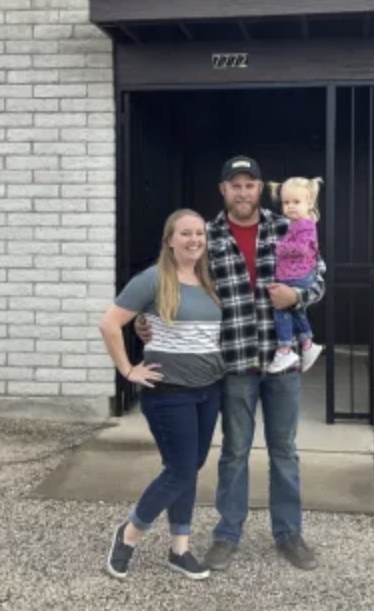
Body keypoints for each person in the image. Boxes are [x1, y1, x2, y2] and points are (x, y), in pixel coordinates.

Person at [136, 154, 326, 572]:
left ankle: (289, 532)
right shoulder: (208, 236)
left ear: (262, 189)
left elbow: (318, 277)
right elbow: (176, 284)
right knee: (235, 452)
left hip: (284, 363)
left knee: (284, 451)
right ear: (223, 190)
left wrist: (297, 298)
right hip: (236, 364)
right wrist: (144, 321)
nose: (243, 192)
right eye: (235, 185)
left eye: (250, 184)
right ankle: (227, 533)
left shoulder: (287, 227)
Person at [97, 209, 225, 581]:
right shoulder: (153, 279)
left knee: (186, 470)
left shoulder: (209, 280)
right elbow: (109, 323)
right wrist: (127, 369)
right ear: (170, 240)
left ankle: (180, 550)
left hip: (208, 391)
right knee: (182, 470)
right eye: (185, 233)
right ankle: (129, 533)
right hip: (170, 395)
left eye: (199, 233)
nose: (194, 240)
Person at [265, 176, 325, 374]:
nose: (290, 207)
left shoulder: (305, 225)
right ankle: (307, 344)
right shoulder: (295, 224)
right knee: (295, 311)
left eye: (296, 202)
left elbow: (301, 249)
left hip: (297, 275)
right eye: (286, 202)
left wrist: (280, 247)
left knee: (280, 308)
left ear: (309, 203)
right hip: (294, 273)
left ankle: (285, 348)